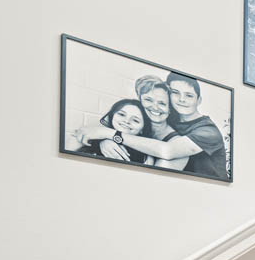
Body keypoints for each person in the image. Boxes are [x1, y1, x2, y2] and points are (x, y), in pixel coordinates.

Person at [73, 72, 228, 180]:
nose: (155, 107)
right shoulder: (141, 127)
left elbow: (167, 152)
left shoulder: (207, 131)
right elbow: (87, 133)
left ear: (169, 108)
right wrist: (104, 140)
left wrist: (110, 135)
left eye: (161, 103)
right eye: (148, 100)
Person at [77, 99, 151, 163]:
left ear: (142, 129)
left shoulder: (147, 156)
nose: (126, 121)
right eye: (122, 114)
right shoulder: (89, 137)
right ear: (112, 116)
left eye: (135, 120)